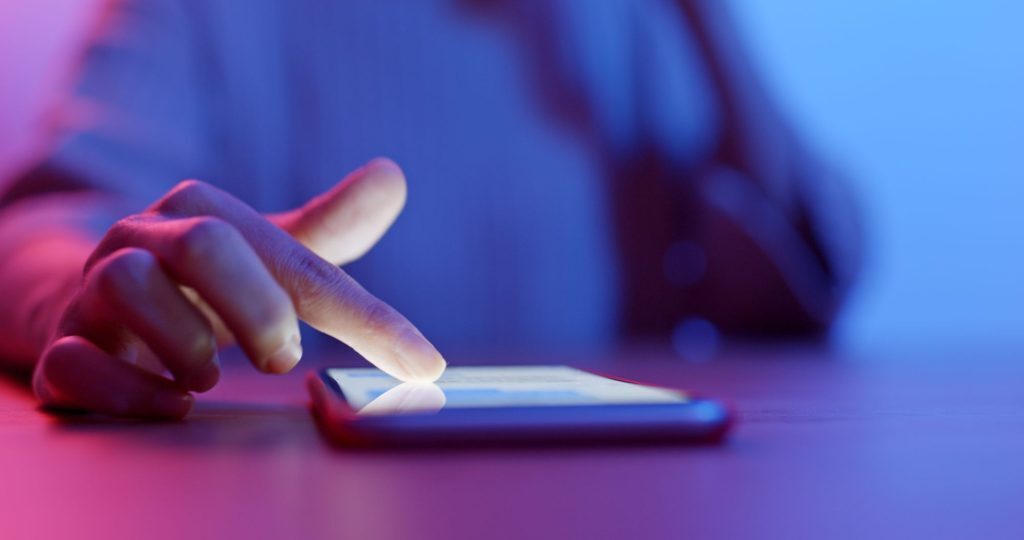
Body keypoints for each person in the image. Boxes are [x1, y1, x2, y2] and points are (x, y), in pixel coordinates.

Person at [0, 0, 861, 419]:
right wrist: (97, 298)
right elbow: (44, 225)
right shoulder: (217, 14)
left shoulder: (623, 20)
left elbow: (802, 270)